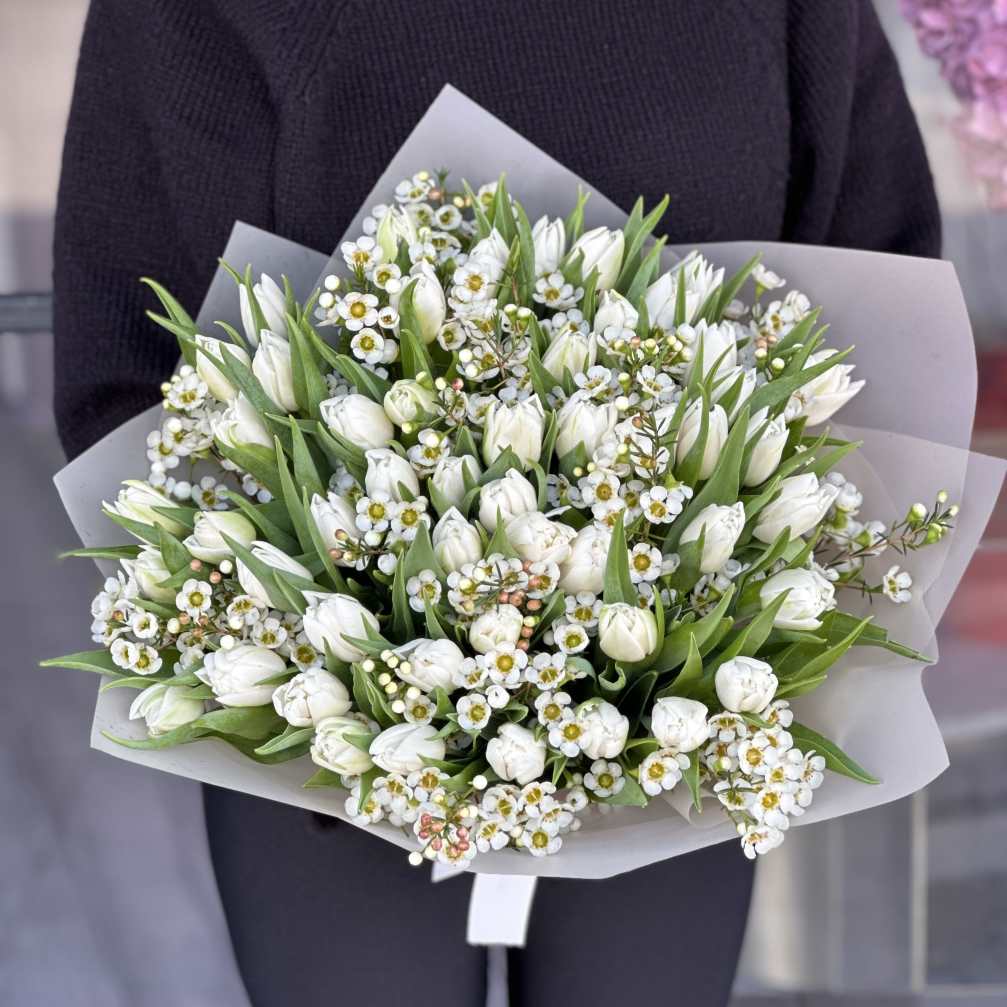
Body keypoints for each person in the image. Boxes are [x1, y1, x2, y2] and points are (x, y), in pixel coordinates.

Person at [53, 2, 940, 1004]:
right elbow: (134, 360)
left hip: (685, 705)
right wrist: (314, 646)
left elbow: (872, 291)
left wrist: (768, 597)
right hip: (321, 723)